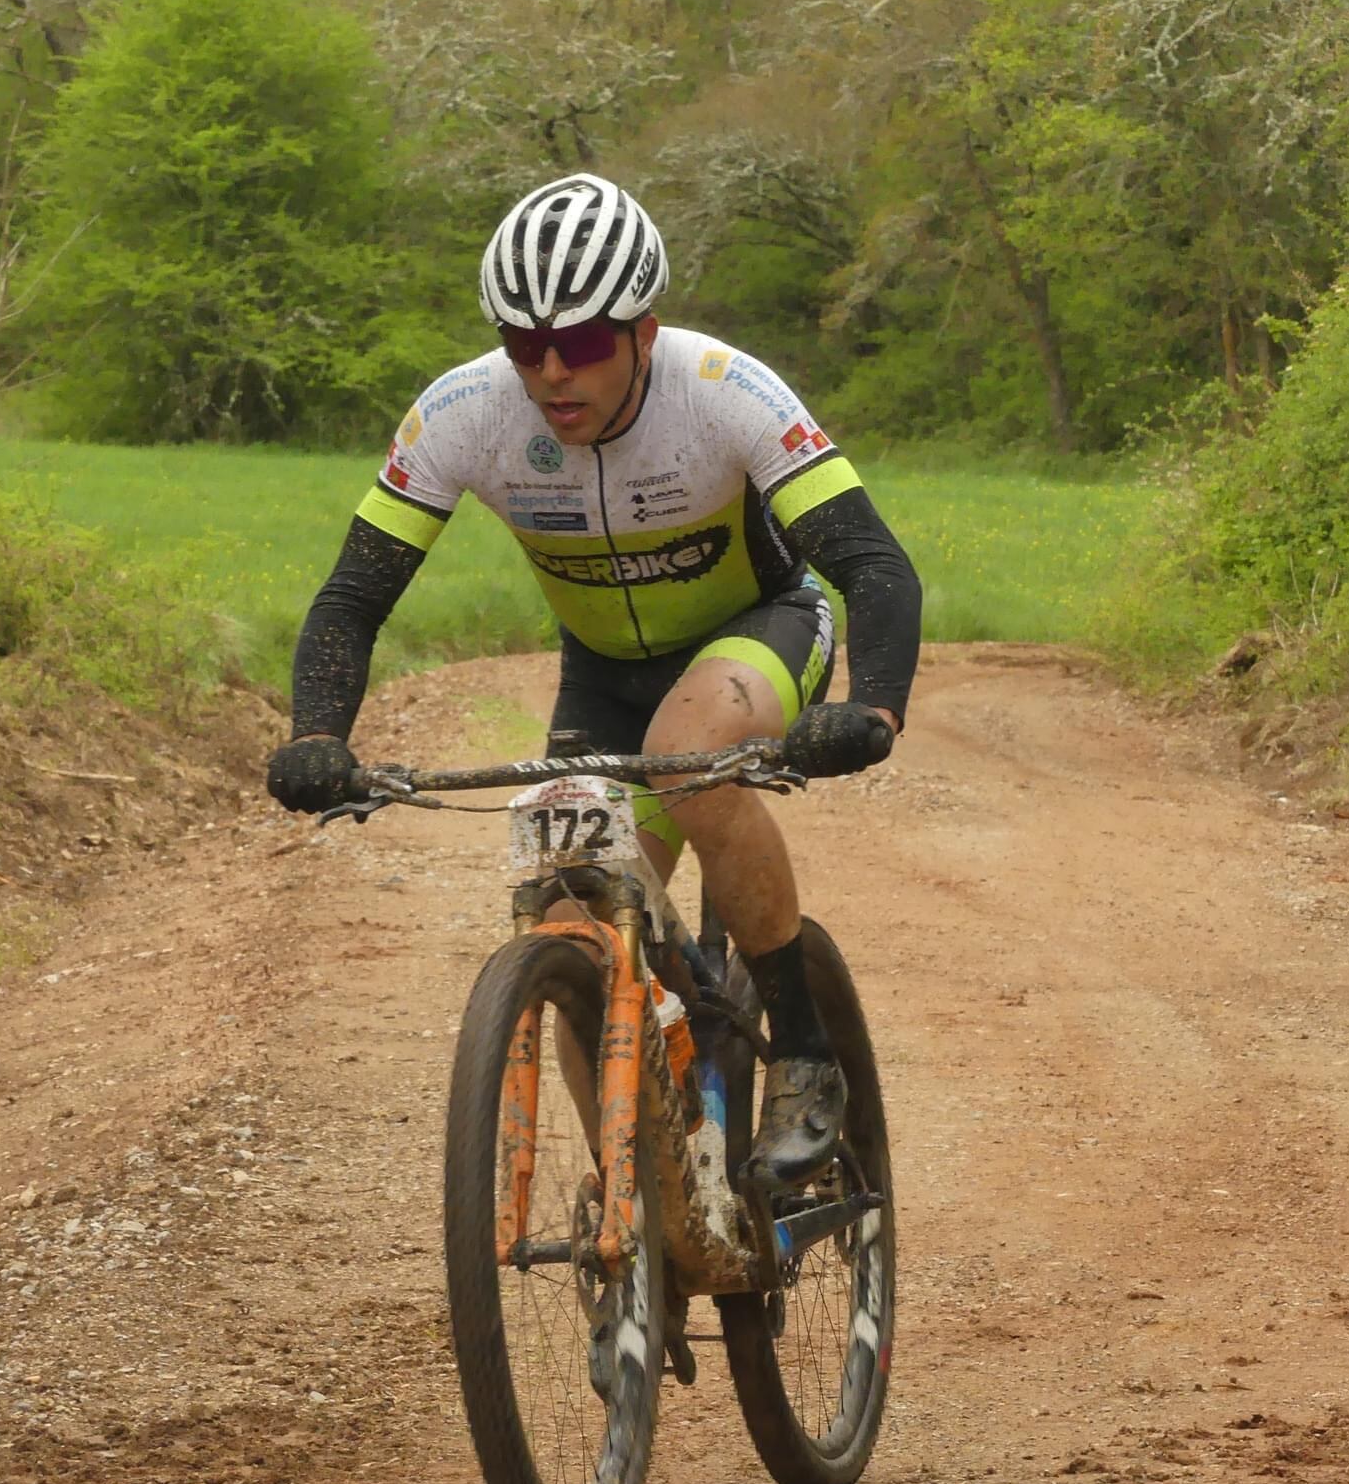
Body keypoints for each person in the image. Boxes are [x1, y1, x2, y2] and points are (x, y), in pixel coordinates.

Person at [265, 173, 921, 1187]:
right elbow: (351, 598)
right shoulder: (465, 412)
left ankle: (799, 1051)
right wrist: (318, 733)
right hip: (604, 673)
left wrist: (867, 708)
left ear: (642, 331)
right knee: (574, 931)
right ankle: (641, 1208)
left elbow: (875, 568)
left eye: (579, 345)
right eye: (527, 347)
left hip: (756, 631)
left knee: (685, 753)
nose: (551, 372)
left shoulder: (723, 391)